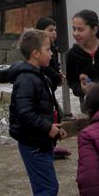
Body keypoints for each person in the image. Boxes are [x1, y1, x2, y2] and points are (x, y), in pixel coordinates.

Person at [7, 28, 67, 196]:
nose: (51, 53)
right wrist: (47, 128)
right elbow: (25, 113)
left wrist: (55, 126)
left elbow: (42, 109)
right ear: (35, 53)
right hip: (34, 144)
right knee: (48, 189)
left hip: (41, 141)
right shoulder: (26, 79)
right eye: (48, 49)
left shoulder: (38, 74)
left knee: (44, 189)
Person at [35, 16, 71, 159]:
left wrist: (59, 75)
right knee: (51, 116)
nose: (54, 33)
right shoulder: (39, 51)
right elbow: (46, 69)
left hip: (51, 89)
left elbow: (54, 67)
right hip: (45, 90)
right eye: (50, 30)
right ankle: (49, 146)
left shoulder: (53, 49)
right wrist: (57, 77)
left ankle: (52, 145)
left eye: (55, 30)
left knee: (55, 114)